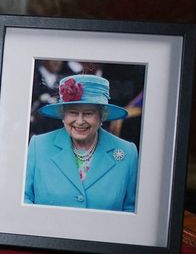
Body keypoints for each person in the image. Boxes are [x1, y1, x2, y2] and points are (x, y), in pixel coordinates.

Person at [24, 73, 138, 212]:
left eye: (88, 113)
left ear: (102, 115)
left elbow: (131, 210)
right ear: (63, 115)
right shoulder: (38, 146)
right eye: (72, 112)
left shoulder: (127, 152)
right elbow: (24, 198)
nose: (79, 121)